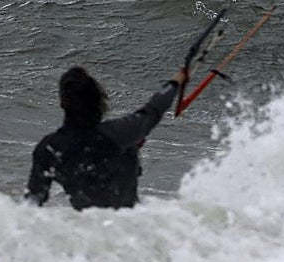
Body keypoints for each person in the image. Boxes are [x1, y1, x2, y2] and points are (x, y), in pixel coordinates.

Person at [24, 64, 189, 210]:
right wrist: (176, 82)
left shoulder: (49, 149)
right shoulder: (117, 134)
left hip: (89, 232)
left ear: (62, 104)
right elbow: (152, 111)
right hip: (128, 230)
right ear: (98, 102)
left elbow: (32, 202)